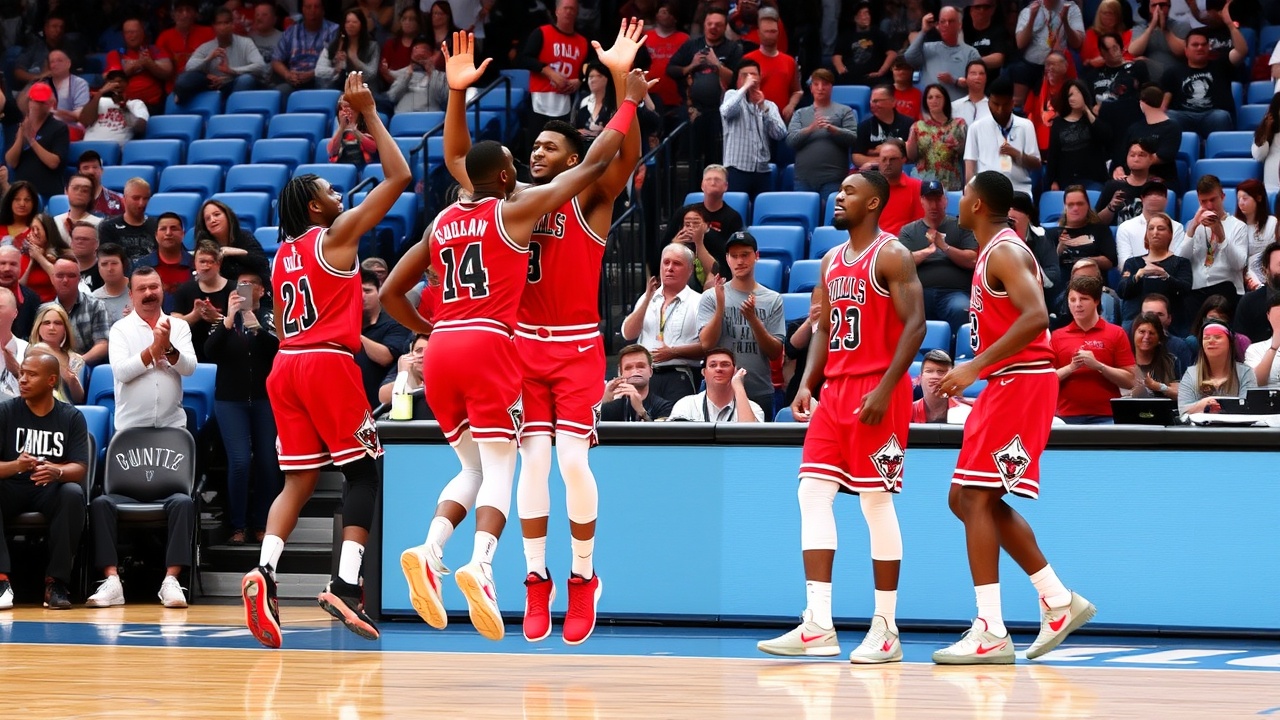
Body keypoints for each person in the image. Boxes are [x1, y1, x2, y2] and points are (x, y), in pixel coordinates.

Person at [414, 26, 648, 646]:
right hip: (518, 347)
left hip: (575, 346)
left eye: (548, 146)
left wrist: (622, 82)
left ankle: (584, 575)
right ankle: (535, 578)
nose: (536, 152)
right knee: (533, 465)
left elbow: (621, 157)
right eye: (533, 146)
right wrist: (457, 94)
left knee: (571, 461)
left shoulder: (587, 199)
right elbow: (460, 159)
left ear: (571, 159)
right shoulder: (510, 199)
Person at [241, 73, 412, 650]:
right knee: (363, 471)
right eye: (330, 190)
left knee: (299, 478)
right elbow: (400, 177)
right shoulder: (334, 236)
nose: (340, 194)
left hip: (285, 366)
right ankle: (343, 583)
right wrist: (370, 116)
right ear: (316, 206)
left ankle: (265, 570)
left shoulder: (282, 254)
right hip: (326, 363)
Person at [757, 170, 925, 662]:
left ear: (873, 203)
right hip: (835, 391)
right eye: (839, 190)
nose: (838, 197)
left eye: (850, 192)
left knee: (875, 502)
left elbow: (916, 326)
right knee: (811, 492)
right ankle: (818, 624)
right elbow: (826, 331)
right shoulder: (831, 260)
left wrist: (887, 389)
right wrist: (807, 383)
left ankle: (887, 628)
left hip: (880, 388)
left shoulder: (892, 254)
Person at [933, 171, 1095, 665]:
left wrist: (974, 366)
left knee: (975, 497)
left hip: (1021, 382)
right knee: (963, 498)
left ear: (978, 205)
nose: (958, 200)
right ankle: (1056, 598)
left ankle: (991, 629)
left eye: (964, 195)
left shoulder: (1005, 250)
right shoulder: (990, 252)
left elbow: (1036, 317)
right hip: (1006, 383)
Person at [0, 352, 88, 611]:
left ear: (51, 380)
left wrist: (56, 471)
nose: (22, 380)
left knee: (72, 493)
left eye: (31, 375)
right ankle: (1, 580)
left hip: (49, 489)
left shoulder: (71, 417)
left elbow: (79, 468)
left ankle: (56, 583)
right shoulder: (6, 412)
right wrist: (16, 465)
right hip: (11, 487)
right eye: (22, 374)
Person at [204, 271, 280, 546]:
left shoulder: (271, 318)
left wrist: (256, 327)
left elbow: (278, 350)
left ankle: (262, 524)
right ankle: (237, 524)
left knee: (268, 462)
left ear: (261, 291)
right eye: (240, 286)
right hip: (230, 401)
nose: (244, 289)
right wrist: (228, 319)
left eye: (250, 285)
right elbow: (210, 352)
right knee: (239, 462)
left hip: (264, 399)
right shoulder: (224, 322)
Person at [620, 244, 704, 402]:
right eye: (666, 262)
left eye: (677, 264)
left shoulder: (698, 301)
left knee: (675, 418)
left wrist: (674, 352)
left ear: (690, 270)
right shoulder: (647, 297)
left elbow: (708, 347)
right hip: (646, 376)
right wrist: (647, 299)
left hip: (681, 374)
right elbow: (628, 333)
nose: (670, 268)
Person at [1052, 274, 1139, 423]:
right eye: (1072, 300)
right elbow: (1046, 380)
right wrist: (1071, 367)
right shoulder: (1057, 336)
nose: (1077, 304)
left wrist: (1099, 366)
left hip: (1106, 415)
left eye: (1084, 299)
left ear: (1096, 301)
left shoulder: (1116, 333)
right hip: (1065, 416)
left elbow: (1131, 381)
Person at [964, 77, 1040, 197]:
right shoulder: (976, 127)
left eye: (1005, 105)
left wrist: (1017, 155)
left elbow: (1036, 164)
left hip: (1019, 190)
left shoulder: (1026, 125)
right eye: (996, 104)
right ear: (989, 103)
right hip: (986, 192)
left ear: (1012, 103)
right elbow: (970, 166)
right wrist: (971, 193)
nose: (1000, 110)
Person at [173, 7, 265, 103]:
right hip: (212, 87)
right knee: (185, 79)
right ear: (213, 26)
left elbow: (260, 66)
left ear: (232, 24)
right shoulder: (206, 47)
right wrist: (208, 60)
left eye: (226, 23)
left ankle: (232, 109)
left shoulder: (246, 42)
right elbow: (189, 67)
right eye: (219, 23)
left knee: (246, 80)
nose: (223, 27)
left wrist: (232, 71)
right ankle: (181, 94)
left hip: (234, 84)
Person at [1117, 211, 1193, 327]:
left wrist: (1166, 276)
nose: (1155, 232)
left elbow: (1185, 290)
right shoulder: (1132, 263)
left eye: (1161, 228)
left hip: (1171, 324)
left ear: (1170, 234)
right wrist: (1137, 276)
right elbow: (1122, 292)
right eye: (1151, 228)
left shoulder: (1181, 263)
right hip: (1136, 322)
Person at [5, 82, 68, 201]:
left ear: (49, 104)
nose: (37, 105)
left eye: (41, 102)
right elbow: (11, 162)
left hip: (47, 192)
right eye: (34, 101)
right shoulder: (22, 126)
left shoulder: (59, 128)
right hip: (22, 192)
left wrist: (31, 140)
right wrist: (21, 136)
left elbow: (54, 163)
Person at [1178, 320, 1257, 414]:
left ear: (1230, 342)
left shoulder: (1245, 373)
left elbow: (1249, 409)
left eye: (1218, 337)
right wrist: (1204, 404)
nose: (1211, 341)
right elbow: (1183, 412)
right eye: (1206, 338)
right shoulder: (1191, 374)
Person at [666, 347, 764, 421]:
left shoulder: (752, 408)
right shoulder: (686, 404)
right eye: (713, 365)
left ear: (735, 371)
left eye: (725, 365)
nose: (719, 369)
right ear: (704, 372)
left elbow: (750, 437)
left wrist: (738, 386)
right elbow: (674, 438)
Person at [906, 84, 967, 191]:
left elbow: (965, 152)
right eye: (930, 97)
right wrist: (910, 139)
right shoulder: (917, 126)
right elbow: (912, 156)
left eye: (938, 97)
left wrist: (956, 145)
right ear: (925, 101)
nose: (934, 100)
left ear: (945, 100)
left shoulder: (958, 124)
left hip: (950, 182)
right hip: (923, 181)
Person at [600, 345, 674, 421]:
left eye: (641, 366)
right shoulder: (611, 407)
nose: (634, 371)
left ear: (650, 372)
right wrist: (603, 401)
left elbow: (661, 429)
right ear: (621, 373)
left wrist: (642, 412)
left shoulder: (665, 406)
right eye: (628, 368)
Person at [1128, 312, 1183, 400]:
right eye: (1142, 332)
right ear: (1133, 334)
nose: (1146, 337)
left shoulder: (1171, 362)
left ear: (1159, 338)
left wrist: (1157, 386)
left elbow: (1180, 394)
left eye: (1151, 333)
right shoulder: (1124, 361)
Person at [1234, 180, 1277, 291]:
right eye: (1238, 199)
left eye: (1245, 198)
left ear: (1258, 198)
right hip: (1243, 279)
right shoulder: (1235, 226)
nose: (1241, 203)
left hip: (1268, 277)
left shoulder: (1272, 223)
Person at [913, 349, 973, 423]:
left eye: (941, 372)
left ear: (952, 378)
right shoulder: (908, 412)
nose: (935, 377)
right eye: (929, 371)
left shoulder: (966, 412)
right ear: (920, 378)